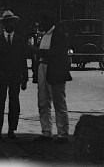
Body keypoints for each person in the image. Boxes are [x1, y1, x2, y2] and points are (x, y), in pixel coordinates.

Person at [0, 10, 28, 140]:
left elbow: (23, 61)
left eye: (12, 22)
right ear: (3, 25)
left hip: (15, 77)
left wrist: (24, 79)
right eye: (7, 22)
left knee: (14, 103)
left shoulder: (20, 41)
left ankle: (11, 130)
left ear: (14, 24)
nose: (9, 25)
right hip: (1, 78)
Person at [31, 10, 72, 144]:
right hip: (42, 67)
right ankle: (46, 132)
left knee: (59, 102)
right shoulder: (43, 35)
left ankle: (63, 134)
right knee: (43, 102)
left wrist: (37, 51)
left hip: (54, 69)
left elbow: (56, 54)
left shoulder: (58, 35)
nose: (41, 24)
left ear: (50, 22)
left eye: (43, 22)